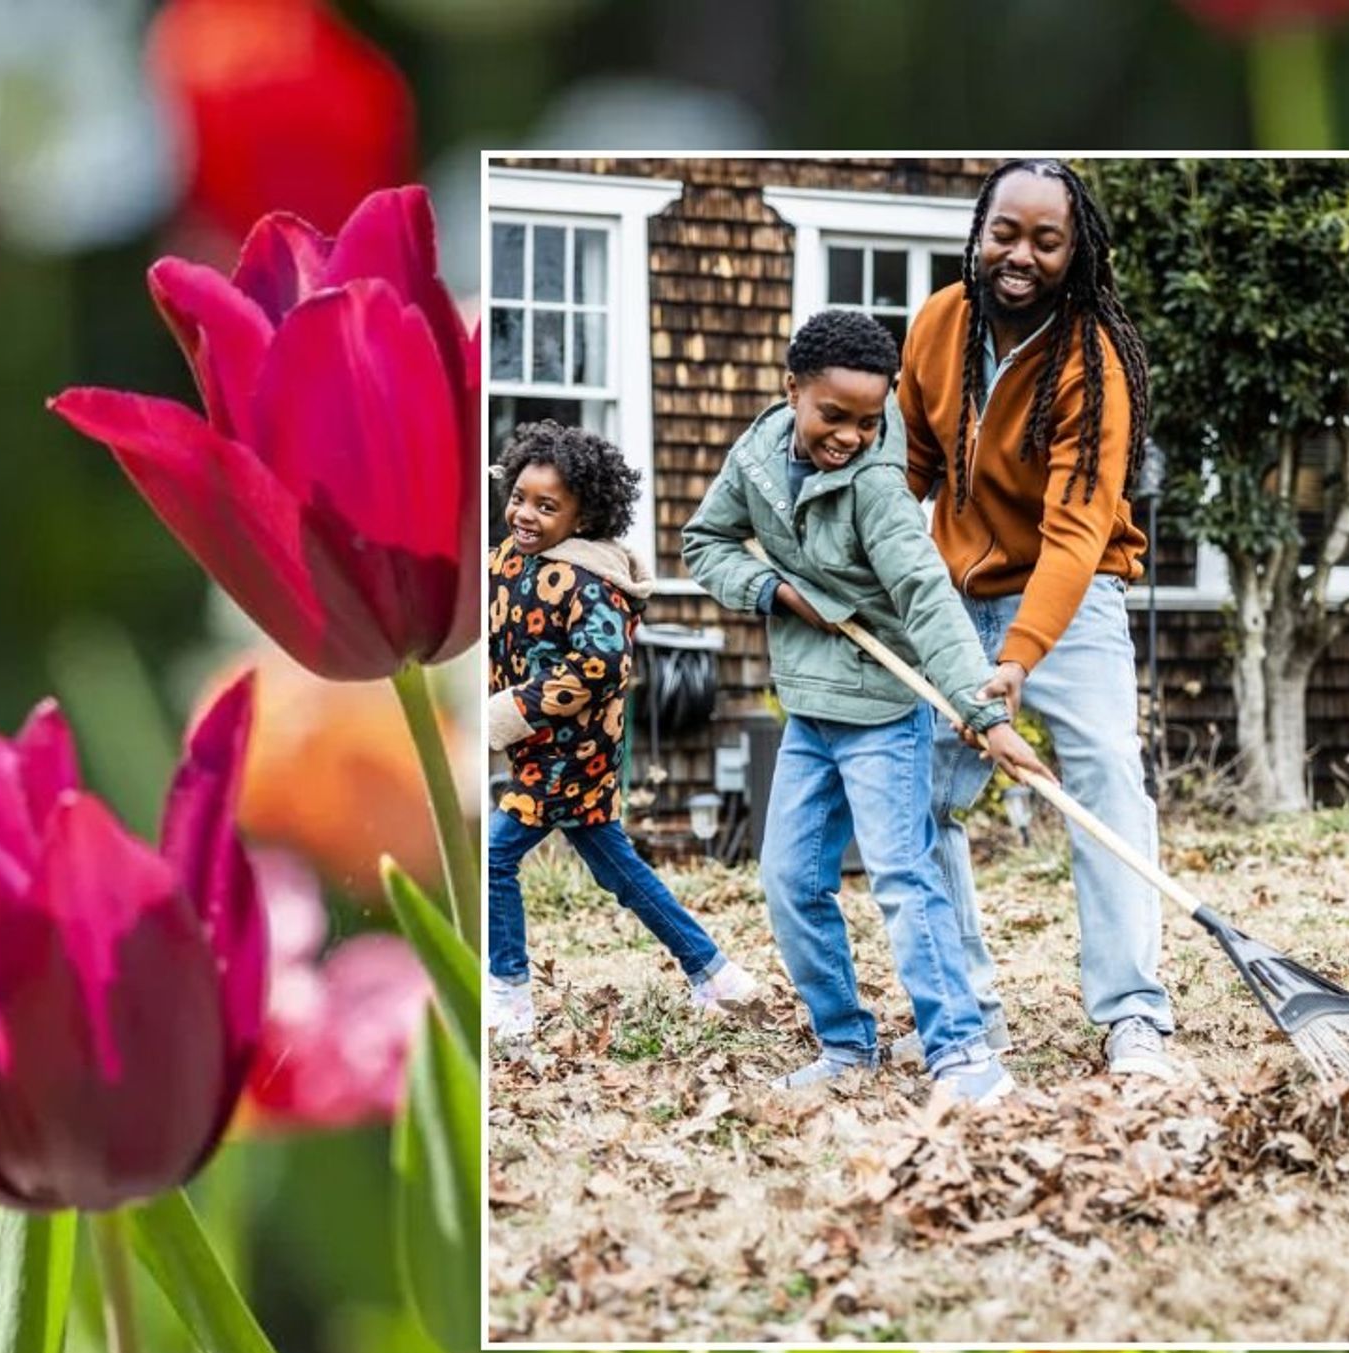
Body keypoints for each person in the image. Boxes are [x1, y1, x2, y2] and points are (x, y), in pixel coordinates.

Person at [682, 309, 1053, 1106]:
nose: (849, 435)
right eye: (832, 416)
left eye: (868, 420)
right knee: (788, 880)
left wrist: (984, 714)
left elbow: (925, 595)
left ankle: (962, 1054)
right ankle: (847, 1044)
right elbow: (703, 543)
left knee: (902, 878)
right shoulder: (755, 453)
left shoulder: (877, 489)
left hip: (887, 708)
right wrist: (777, 591)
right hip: (811, 710)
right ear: (792, 392)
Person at [894, 157, 1179, 1082]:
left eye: (1045, 240)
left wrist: (1018, 659)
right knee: (917, 794)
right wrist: (890, 575)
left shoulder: (1094, 363)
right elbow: (910, 469)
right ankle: (966, 1009)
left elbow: (1075, 530)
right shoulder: (938, 323)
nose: (1021, 255)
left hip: (1073, 592)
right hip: (951, 595)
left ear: (1074, 249)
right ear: (980, 233)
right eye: (1006, 233)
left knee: (1103, 775)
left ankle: (1134, 1012)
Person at [485, 421, 759, 1040]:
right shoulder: (508, 558)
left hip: (572, 753)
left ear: (583, 518)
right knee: (619, 870)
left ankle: (509, 998)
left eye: (547, 506)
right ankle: (716, 975)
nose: (525, 514)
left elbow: (600, 665)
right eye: (520, 497)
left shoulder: (590, 582)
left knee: (493, 857)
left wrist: (505, 712)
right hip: (539, 751)